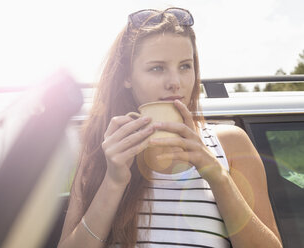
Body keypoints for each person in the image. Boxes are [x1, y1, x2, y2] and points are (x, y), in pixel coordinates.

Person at [58, 7, 283, 248]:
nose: (175, 82)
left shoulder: (230, 144)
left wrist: (216, 175)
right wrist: (113, 182)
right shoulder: (101, 149)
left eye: (185, 66)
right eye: (157, 68)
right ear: (127, 77)